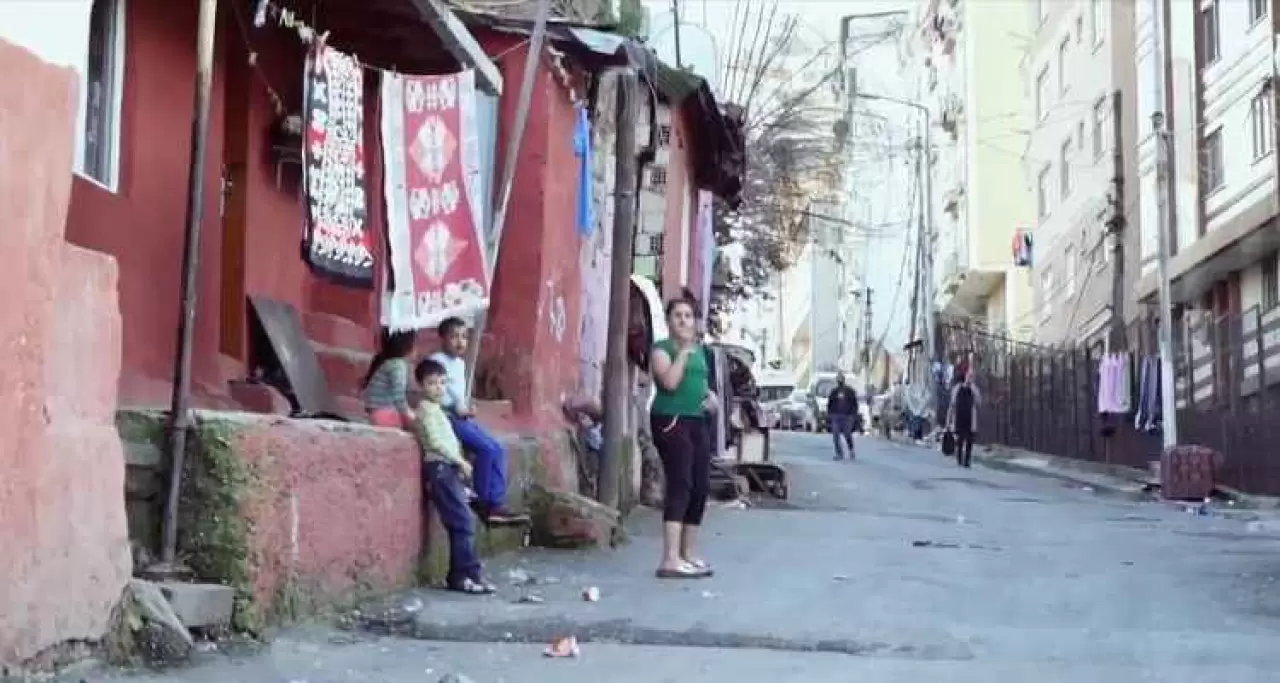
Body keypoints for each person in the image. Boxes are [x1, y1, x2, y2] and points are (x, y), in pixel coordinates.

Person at [429, 317, 524, 524]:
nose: (460, 342)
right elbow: (440, 391)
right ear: (442, 338)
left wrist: (466, 406)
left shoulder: (460, 364)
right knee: (486, 449)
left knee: (498, 448)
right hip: (446, 416)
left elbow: (459, 394)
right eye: (454, 336)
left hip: (461, 416)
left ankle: (496, 502)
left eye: (464, 337)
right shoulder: (436, 361)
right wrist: (458, 407)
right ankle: (483, 501)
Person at [649, 296, 719, 579]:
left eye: (688, 316)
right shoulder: (661, 350)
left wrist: (711, 399)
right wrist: (683, 353)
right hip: (671, 420)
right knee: (681, 483)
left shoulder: (702, 352)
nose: (684, 320)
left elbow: (703, 386)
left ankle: (689, 553)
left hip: (697, 421)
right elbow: (669, 382)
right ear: (669, 321)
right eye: (678, 315)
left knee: (700, 486)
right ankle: (670, 558)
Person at [413, 358, 495, 595]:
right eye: (431, 384)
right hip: (440, 468)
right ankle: (465, 575)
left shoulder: (437, 410)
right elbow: (437, 443)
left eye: (441, 383)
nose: (438, 388)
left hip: (448, 470)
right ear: (421, 386)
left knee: (463, 523)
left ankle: (465, 574)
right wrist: (460, 461)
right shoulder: (426, 412)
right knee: (463, 523)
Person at [362, 330, 417, 429]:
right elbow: (399, 397)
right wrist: (411, 416)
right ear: (408, 346)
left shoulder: (387, 361)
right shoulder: (397, 365)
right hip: (383, 414)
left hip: (377, 412)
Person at [946, 369, 981, 468]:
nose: (970, 378)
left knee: (969, 440)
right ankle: (959, 459)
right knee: (960, 440)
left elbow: (979, 402)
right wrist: (948, 421)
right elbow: (952, 404)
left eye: (972, 377)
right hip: (959, 418)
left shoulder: (974, 389)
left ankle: (967, 460)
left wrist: (973, 388)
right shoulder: (957, 388)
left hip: (970, 418)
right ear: (965, 376)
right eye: (969, 376)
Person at [826, 371, 859, 461]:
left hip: (847, 416)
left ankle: (851, 449)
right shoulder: (834, 391)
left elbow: (855, 404)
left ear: (843, 380)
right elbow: (830, 404)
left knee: (847, 433)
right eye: (838, 379)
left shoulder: (850, 391)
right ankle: (839, 453)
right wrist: (830, 415)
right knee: (836, 435)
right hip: (836, 416)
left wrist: (853, 414)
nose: (840, 381)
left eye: (841, 379)